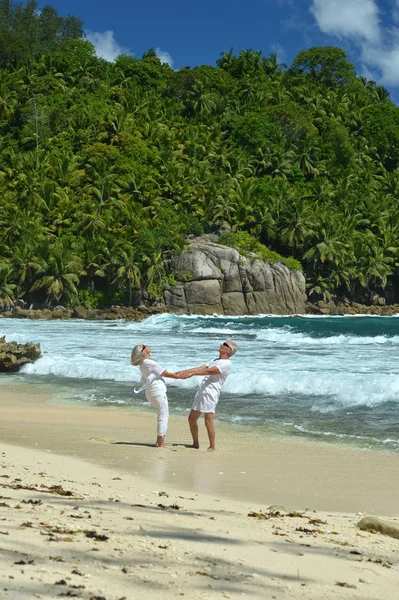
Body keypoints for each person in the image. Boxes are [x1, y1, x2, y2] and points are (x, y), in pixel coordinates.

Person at [178, 340, 238, 451]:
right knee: (191, 419)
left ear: (229, 350)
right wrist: (182, 372)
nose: (221, 345)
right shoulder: (215, 360)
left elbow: (210, 371)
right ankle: (195, 444)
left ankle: (212, 446)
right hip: (202, 390)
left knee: (208, 420)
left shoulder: (226, 364)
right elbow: (201, 368)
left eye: (224, 344)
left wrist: (191, 374)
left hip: (211, 393)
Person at [131, 344, 181, 448]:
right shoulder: (150, 363)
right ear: (143, 353)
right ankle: (161, 443)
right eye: (144, 346)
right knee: (163, 416)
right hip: (157, 392)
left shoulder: (143, 363)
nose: (147, 345)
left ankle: (159, 441)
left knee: (161, 415)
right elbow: (166, 374)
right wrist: (181, 376)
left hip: (151, 392)